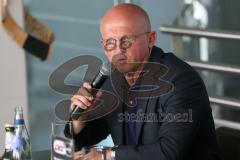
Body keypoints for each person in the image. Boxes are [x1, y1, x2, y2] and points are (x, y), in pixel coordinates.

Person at [68, 3, 219, 160]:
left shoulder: (180, 81)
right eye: (110, 43)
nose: (118, 50)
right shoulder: (111, 79)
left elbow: (169, 153)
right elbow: (84, 143)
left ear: (150, 39)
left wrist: (108, 155)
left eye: (126, 41)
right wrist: (80, 121)